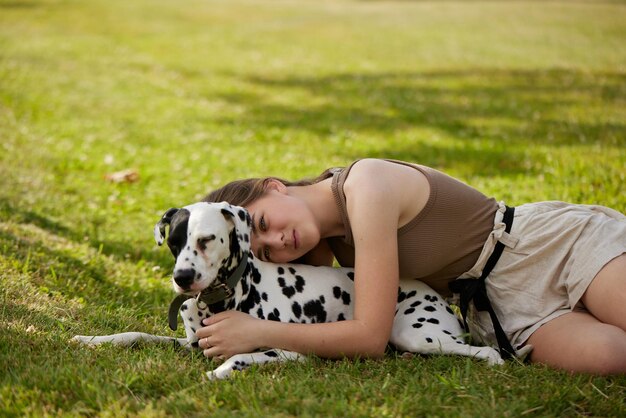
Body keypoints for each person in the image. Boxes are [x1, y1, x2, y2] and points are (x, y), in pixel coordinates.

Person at [195, 158, 626, 374]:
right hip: (499, 310)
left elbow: (368, 336)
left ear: (275, 188)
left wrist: (256, 333)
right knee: (611, 358)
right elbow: (302, 316)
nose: (276, 242)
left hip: (546, 247)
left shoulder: (366, 186)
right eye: (265, 251)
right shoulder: (319, 248)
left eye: (264, 223)